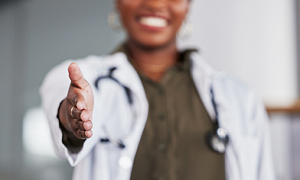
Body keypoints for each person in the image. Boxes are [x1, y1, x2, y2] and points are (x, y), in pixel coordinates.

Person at [40, 0, 276, 179]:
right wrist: (73, 117)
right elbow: (63, 108)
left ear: (188, 4)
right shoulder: (85, 78)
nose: (154, 3)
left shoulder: (241, 98)